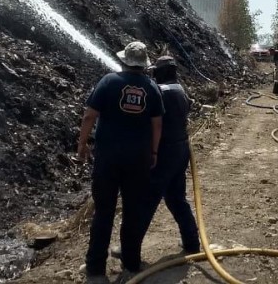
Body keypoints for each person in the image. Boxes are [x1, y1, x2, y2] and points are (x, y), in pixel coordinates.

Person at [77, 41, 164, 284]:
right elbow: (157, 124)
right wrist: (154, 152)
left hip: (107, 159)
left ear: (124, 60)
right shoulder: (152, 88)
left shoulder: (108, 82)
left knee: (103, 212)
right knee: (133, 211)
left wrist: (82, 144)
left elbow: (89, 115)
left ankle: (95, 269)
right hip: (138, 160)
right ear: (144, 64)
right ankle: (132, 264)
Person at [136, 56, 200, 255]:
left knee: (146, 199)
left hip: (164, 151)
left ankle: (130, 247)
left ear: (161, 72)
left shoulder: (159, 92)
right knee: (176, 198)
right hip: (181, 149)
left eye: (155, 71)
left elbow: (151, 122)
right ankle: (192, 242)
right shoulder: (181, 90)